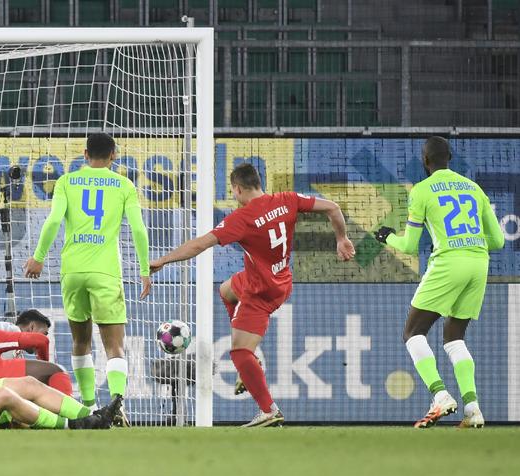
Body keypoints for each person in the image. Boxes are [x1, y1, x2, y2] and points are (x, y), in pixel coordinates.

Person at [150, 163, 355, 427]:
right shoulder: (287, 199)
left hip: (262, 291)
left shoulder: (242, 218)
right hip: (279, 278)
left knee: (238, 353)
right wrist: (341, 238)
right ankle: (251, 359)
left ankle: (269, 409)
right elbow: (333, 208)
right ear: (259, 183)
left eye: (233, 192)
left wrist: (164, 260)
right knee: (225, 289)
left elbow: (200, 244)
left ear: (237, 189)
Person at [374, 136, 504, 429]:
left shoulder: (421, 191)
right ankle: (473, 409)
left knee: (412, 332)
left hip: (449, 263)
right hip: (478, 263)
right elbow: (496, 240)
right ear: (451, 159)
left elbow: (409, 245)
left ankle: (440, 395)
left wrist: (386, 237)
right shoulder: (474, 188)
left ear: (425, 161)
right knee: (455, 338)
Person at [25, 133, 150, 424]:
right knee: (114, 345)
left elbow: (54, 220)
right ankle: (117, 404)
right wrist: (144, 270)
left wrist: (39, 257)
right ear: (114, 155)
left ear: (84, 153)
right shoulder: (124, 185)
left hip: (73, 271)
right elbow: (139, 229)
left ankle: (90, 407)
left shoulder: (67, 182)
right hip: (105, 272)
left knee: (81, 342)